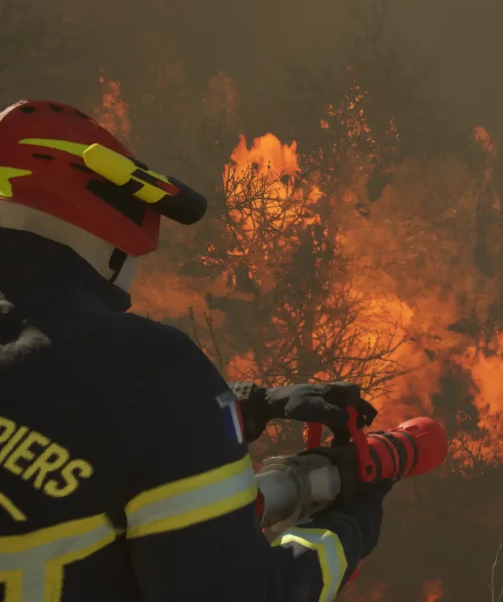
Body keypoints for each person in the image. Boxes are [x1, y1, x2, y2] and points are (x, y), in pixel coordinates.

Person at [0, 99, 388, 601]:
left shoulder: (129, 383)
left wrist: (243, 408)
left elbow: (52, 405)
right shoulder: (150, 372)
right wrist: (349, 524)